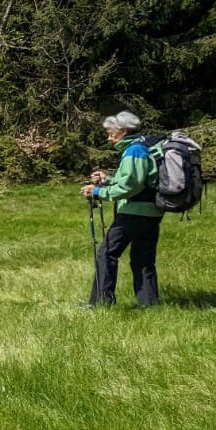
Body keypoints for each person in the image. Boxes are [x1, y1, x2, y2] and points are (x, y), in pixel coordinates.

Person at [81, 111, 162, 306]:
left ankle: (101, 302)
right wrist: (107, 179)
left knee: (107, 253)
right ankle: (149, 303)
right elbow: (135, 179)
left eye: (111, 133)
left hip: (134, 212)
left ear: (124, 131)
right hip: (152, 212)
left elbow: (131, 186)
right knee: (142, 258)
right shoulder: (144, 147)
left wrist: (99, 192)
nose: (109, 138)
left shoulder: (135, 151)